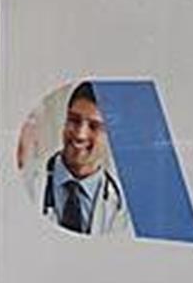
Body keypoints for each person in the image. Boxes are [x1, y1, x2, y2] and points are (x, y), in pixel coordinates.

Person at [42, 82, 128, 235]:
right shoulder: (31, 182)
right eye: (74, 120)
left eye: (94, 126)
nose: (80, 135)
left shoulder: (122, 207)